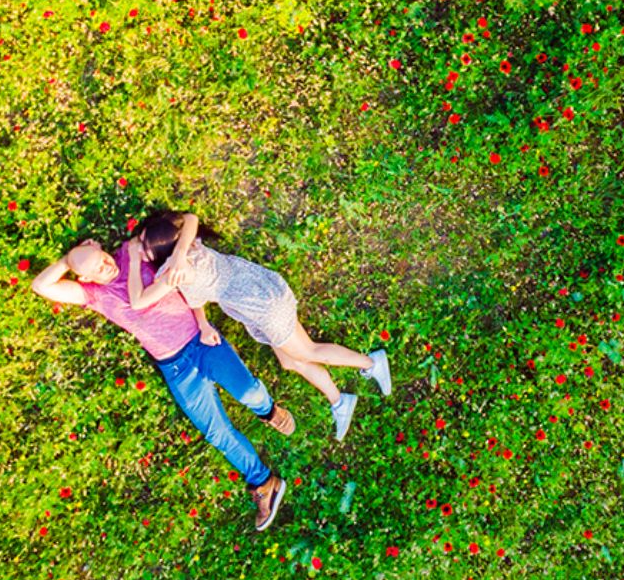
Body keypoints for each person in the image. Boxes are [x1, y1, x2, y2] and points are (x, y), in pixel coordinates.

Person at [31, 237, 292, 531]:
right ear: (86, 277)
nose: (106, 265)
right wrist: (69, 260)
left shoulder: (134, 253)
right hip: (175, 367)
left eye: (101, 256)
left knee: (249, 391)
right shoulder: (93, 294)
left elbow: (184, 278)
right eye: (96, 268)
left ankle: (267, 410)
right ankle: (264, 482)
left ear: (102, 248)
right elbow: (41, 286)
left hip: (201, 339)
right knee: (216, 431)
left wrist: (204, 324)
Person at [128, 210, 391, 443]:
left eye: (143, 246)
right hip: (257, 289)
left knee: (308, 351)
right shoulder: (189, 246)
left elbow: (138, 302)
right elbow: (191, 221)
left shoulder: (173, 272)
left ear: (162, 254)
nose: (139, 248)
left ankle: (371, 363)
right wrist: (204, 324)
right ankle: (340, 401)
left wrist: (132, 258)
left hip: (262, 306)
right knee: (290, 362)